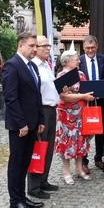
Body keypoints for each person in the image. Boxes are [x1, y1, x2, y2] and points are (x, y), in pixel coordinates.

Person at [2, 32, 45, 208]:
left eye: (36, 46)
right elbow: (11, 98)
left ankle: (22, 197)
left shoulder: (31, 67)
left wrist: (40, 119)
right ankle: (15, 202)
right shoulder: (12, 65)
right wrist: (22, 124)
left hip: (32, 124)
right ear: (21, 45)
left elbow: (37, 95)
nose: (35, 49)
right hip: (20, 126)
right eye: (32, 46)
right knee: (16, 163)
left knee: (25, 162)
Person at [55, 48, 95, 185]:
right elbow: (64, 97)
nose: (79, 60)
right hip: (66, 116)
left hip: (80, 115)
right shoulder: (61, 76)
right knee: (66, 143)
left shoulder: (81, 74)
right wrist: (83, 96)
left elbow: (85, 89)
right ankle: (66, 171)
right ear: (67, 62)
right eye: (76, 59)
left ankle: (79, 169)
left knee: (80, 142)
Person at [27, 35, 60, 199]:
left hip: (52, 110)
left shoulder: (47, 64)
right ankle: (33, 186)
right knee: (38, 148)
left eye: (49, 45)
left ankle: (43, 180)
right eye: (44, 46)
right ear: (35, 48)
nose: (48, 48)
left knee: (48, 148)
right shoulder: (33, 66)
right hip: (42, 111)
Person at [79, 35, 104, 173]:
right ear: (83, 48)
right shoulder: (79, 61)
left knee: (100, 129)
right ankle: (84, 161)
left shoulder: (103, 59)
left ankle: (99, 158)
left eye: (92, 48)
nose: (90, 50)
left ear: (96, 47)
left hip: (100, 100)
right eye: (87, 48)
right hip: (84, 101)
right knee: (85, 131)